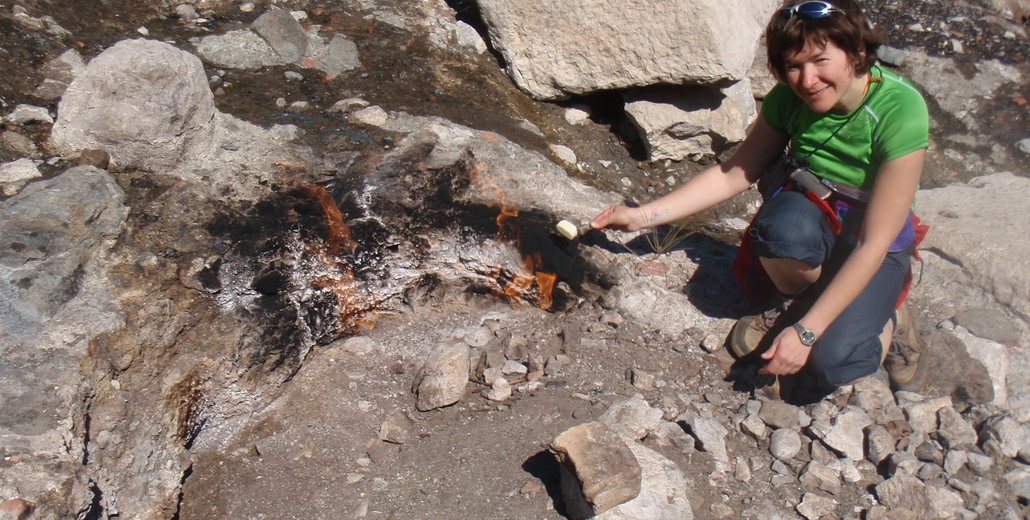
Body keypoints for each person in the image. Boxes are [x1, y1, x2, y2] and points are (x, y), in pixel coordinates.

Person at [590, 0, 929, 397]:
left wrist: (805, 333)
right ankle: (806, 299)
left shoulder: (899, 110)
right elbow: (736, 172)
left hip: (874, 244)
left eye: (821, 60)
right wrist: (642, 216)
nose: (808, 80)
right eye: (793, 66)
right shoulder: (790, 99)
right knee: (780, 232)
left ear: (856, 51)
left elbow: (876, 243)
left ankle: (889, 315)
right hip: (816, 215)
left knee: (834, 361)